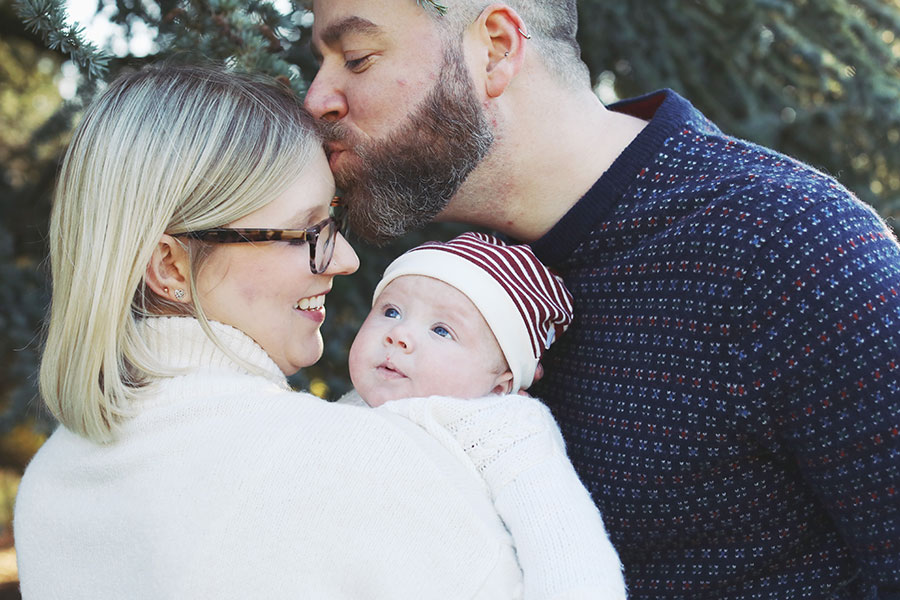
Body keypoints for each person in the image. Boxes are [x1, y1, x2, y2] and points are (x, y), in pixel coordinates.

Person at [304, 1, 900, 597]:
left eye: (356, 58)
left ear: (495, 47)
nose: (316, 99)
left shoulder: (790, 248)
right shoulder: (442, 275)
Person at [16, 63, 538, 599]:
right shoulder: (366, 466)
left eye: (332, 222)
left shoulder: (51, 485)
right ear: (171, 266)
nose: (346, 260)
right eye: (308, 232)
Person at [346, 231, 627, 599]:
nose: (399, 334)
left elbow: (567, 548)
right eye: (391, 311)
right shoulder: (347, 410)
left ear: (500, 384)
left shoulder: (505, 430)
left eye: (442, 330)